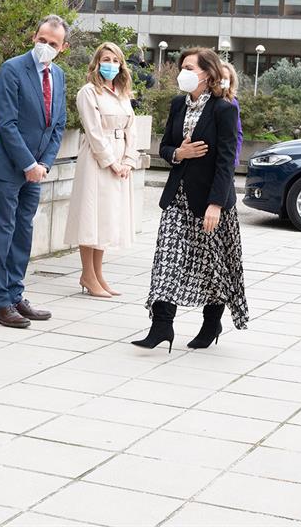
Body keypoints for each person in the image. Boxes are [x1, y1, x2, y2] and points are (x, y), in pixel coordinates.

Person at [133, 47, 248, 352]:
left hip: (210, 199)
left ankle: (212, 323)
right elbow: (165, 147)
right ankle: (161, 326)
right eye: (182, 66)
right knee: (166, 260)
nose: (183, 72)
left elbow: (226, 161)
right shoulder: (177, 104)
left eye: (189, 67)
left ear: (208, 74)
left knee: (213, 265)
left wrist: (216, 205)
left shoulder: (224, 109)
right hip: (177, 197)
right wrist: (178, 153)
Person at [0, 15, 69, 328]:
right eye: (42, 40)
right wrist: (28, 164)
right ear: (34, 37)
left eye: (53, 43)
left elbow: (58, 123)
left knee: (23, 232)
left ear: (63, 47)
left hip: (37, 171)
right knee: (2, 233)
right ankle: (0, 302)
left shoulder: (58, 75)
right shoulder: (12, 69)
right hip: (9, 167)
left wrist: (44, 163)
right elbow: (6, 123)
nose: (45, 46)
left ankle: (16, 293)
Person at [64, 42, 139, 298]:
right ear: (97, 62)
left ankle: (97, 274)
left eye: (115, 60)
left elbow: (132, 129)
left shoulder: (122, 94)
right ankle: (87, 273)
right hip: (97, 159)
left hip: (120, 158)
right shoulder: (88, 92)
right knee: (91, 216)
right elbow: (93, 132)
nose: (111, 64)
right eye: (106, 59)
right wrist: (111, 161)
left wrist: (129, 160)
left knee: (106, 219)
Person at [221, 63, 244, 167]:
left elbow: (237, 133)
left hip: (226, 161)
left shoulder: (232, 102)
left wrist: (234, 158)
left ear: (231, 82)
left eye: (225, 78)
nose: (221, 80)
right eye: (219, 76)